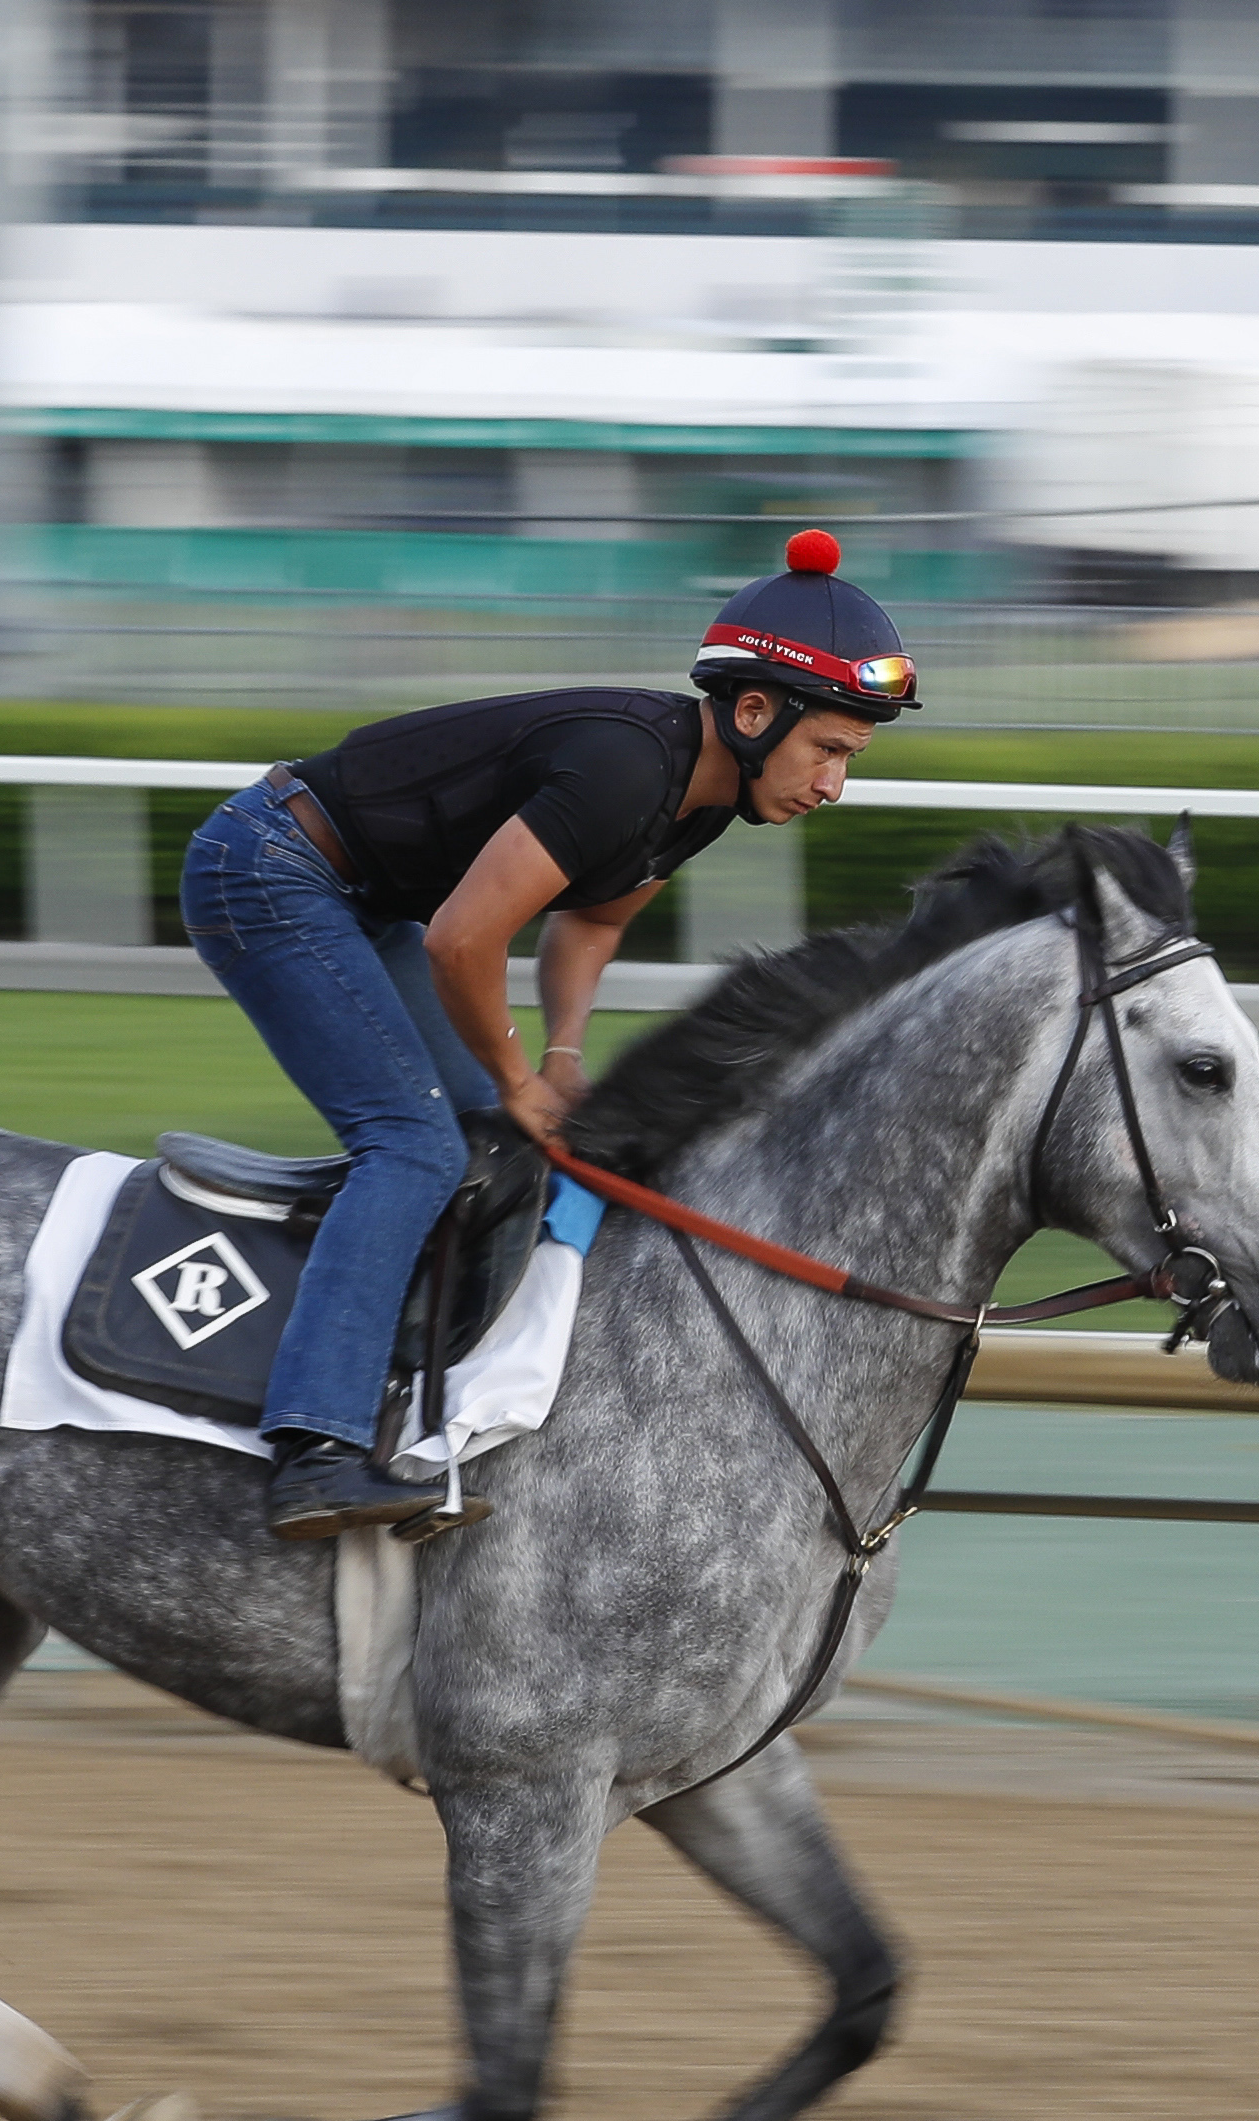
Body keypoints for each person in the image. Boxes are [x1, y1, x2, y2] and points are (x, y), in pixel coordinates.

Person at [180, 530, 920, 1543]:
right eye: (828, 750)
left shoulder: (700, 801)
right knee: (414, 1144)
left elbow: (593, 922)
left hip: (361, 897)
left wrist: (561, 1059)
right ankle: (316, 1451)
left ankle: (407, 1393)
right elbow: (463, 940)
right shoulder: (624, 768)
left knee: (496, 1143)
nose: (835, 783)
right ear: (755, 712)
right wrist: (516, 1072)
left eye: (849, 758)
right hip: (268, 869)